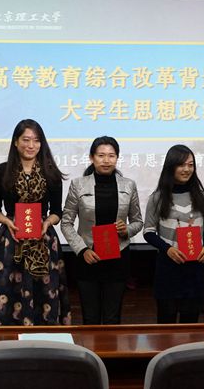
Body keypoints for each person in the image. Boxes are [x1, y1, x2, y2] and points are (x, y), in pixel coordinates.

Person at [0, 119, 71, 325]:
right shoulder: (1, 171)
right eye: (26, 140)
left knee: (45, 291)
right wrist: (7, 221)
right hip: (11, 238)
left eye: (36, 140)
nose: (31, 145)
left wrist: (47, 223)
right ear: (16, 142)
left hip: (43, 239)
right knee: (7, 290)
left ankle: (45, 334)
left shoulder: (50, 172)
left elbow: (57, 212)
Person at [61, 136, 143, 324]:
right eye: (101, 155)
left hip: (118, 257)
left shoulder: (128, 185)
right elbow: (66, 223)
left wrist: (126, 230)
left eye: (111, 156)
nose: (106, 160)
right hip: (88, 257)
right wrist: (82, 250)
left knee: (113, 317)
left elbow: (138, 221)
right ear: (92, 157)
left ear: (117, 158)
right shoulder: (78, 184)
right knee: (90, 317)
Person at [143, 145, 204, 323]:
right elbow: (148, 231)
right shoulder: (158, 197)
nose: (187, 169)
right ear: (171, 166)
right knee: (166, 323)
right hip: (169, 267)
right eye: (181, 165)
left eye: (190, 165)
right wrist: (167, 249)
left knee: (191, 325)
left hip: (195, 268)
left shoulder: (202, 196)